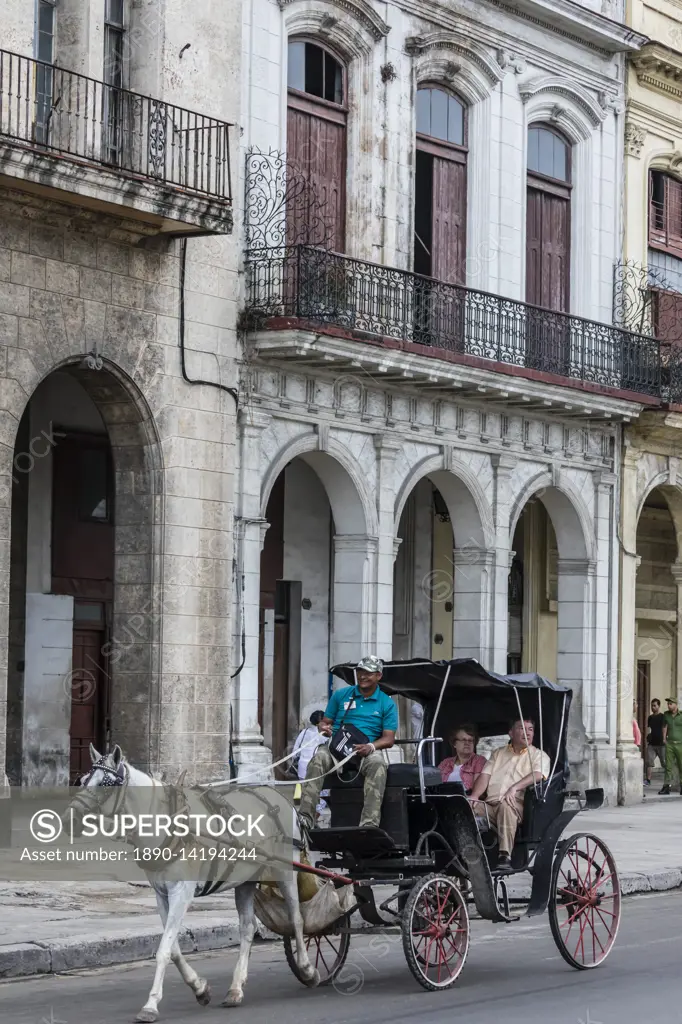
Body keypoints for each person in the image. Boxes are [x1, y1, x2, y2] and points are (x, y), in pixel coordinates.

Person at [298, 655, 397, 832]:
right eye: (360, 672)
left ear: (378, 676)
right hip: (337, 746)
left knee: (378, 764)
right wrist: (324, 728)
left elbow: (389, 739)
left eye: (368, 673)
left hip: (366, 749)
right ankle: (306, 817)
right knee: (318, 758)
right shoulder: (341, 695)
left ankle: (369, 824)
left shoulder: (386, 703)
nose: (363, 676)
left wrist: (371, 747)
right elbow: (325, 722)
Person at [468, 717, 550, 874]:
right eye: (521, 728)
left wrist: (515, 787)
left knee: (506, 806)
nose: (527, 732)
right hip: (490, 805)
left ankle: (504, 856)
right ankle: (466, 852)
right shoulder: (498, 753)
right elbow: (484, 776)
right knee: (465, 806)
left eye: (530, 729)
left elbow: (538, 774)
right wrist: (475, 796)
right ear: (511, 733)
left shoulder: (539, 755)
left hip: (516, 805)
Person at [437, 724, 487, 792]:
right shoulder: (445, 763)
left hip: (466, 800)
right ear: (454, 744)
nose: (467, 743)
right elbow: (435, 785)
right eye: (463, 740)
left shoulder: (479, 761)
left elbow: (477, 790)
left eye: (470, 740)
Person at [292, 710, 327, 781]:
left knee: (304, 790)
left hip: (302, 768)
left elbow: (295, 751)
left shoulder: (304, 732)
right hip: (317, 769)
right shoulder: (325, 735)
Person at [660, 696, 682, 795]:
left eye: (670, 704)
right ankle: (666, 787)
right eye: (668, 704)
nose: (668, 705)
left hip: (680, 744)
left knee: (681, 765)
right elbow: (665, 726)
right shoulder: (666, 715)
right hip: (670, 744)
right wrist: (664, 738)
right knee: (668, 766)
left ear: (675, 704)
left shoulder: (681, 715)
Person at [646, 698, 666, 787]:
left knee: (665, 763)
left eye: (654, 705)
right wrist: (648, 737)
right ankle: (648, 780)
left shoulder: (662, 717)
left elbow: (665, 728)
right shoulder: (650, 718)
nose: (653, 707)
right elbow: (649, 729)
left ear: (658, 706)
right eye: (652, 706)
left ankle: (668, 781)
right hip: (652, 744)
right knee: (649, 762)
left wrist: (665, 739)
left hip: (661, 744)